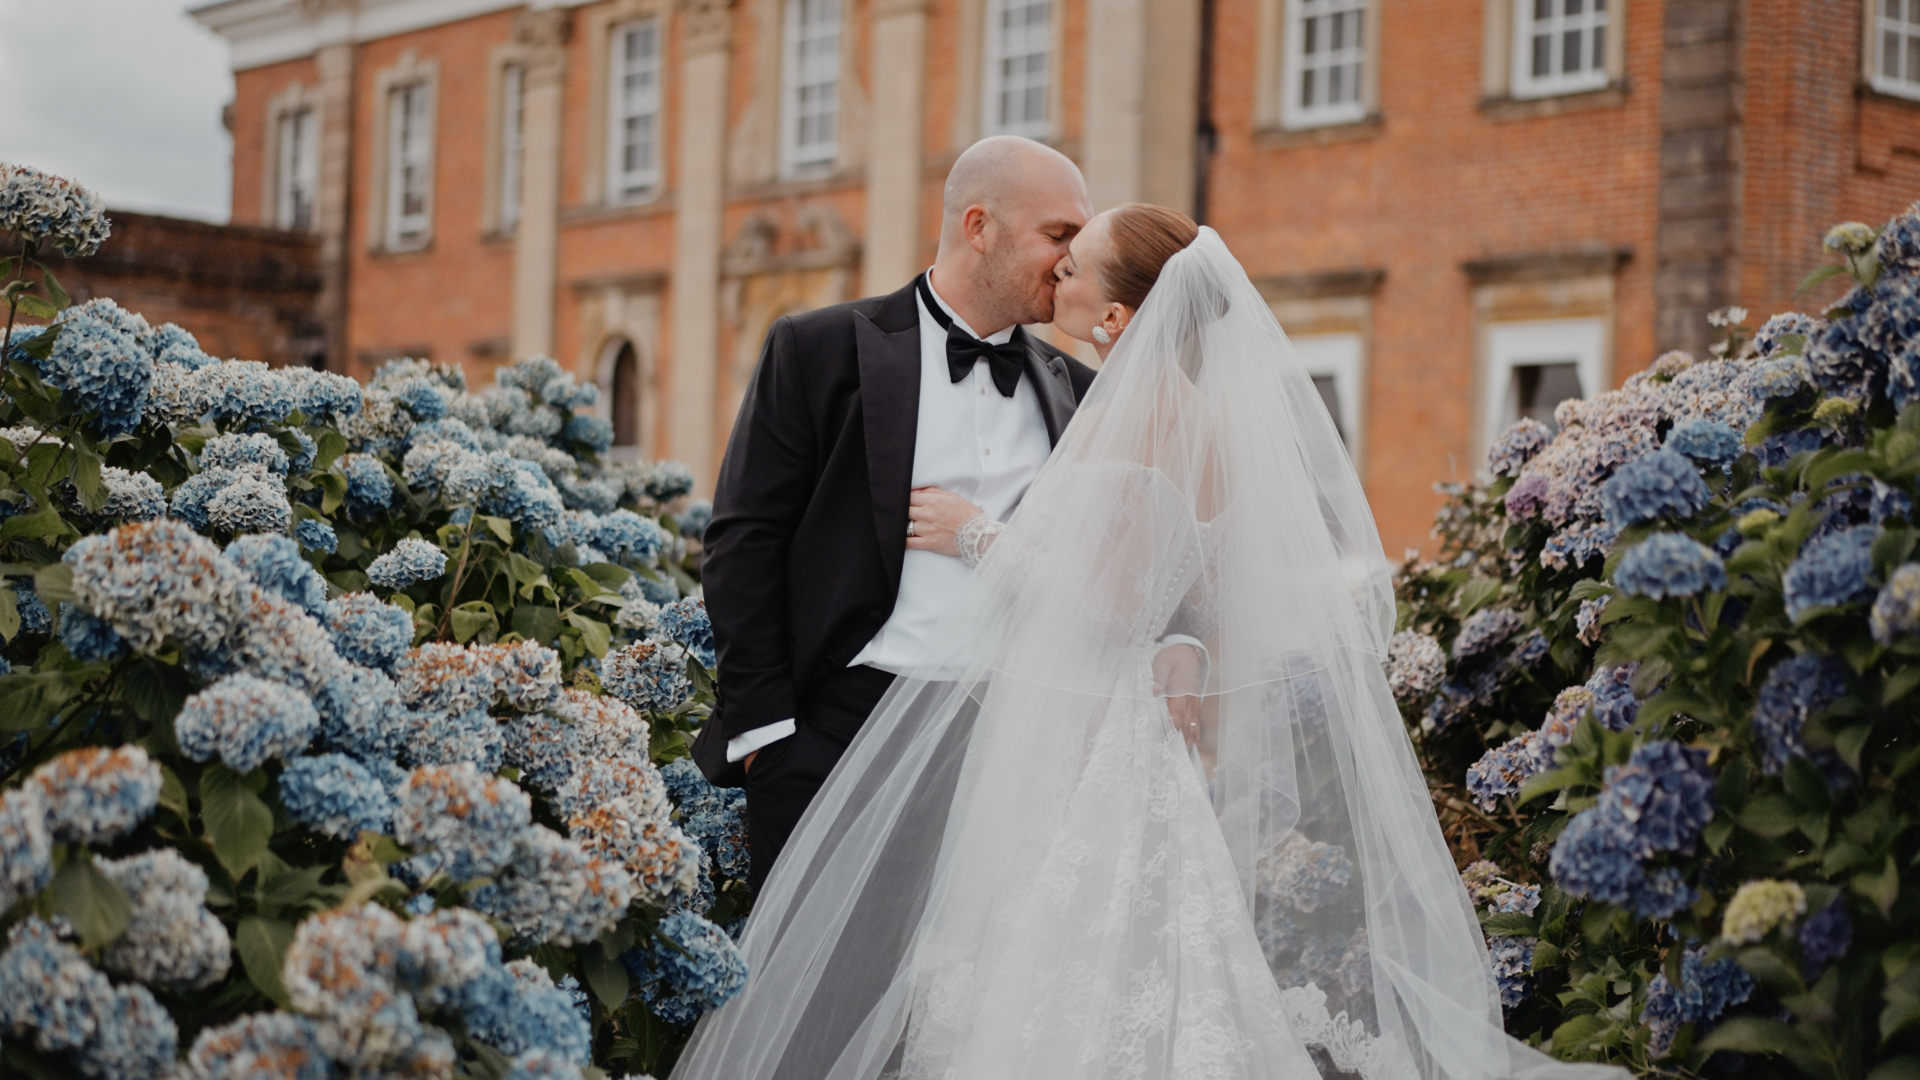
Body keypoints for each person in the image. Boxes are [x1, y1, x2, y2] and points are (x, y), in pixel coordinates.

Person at [675, 207, 1630, 1080]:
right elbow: (1181, 594)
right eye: (1060, 247)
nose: (1061, 278)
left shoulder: (1148, 415)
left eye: (1078, 265)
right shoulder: (1127, 404)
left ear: (1123, 315)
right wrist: (1186, 644)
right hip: (992, 724)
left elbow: (1115, 603)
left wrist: (977, 534)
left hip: (1075, 740)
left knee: (1059, 974)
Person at [697, 136, 1205, 891]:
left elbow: (1145, 546)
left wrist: (1182, 637)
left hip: (1006, 753)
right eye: (1058, 235)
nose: (1070, 263)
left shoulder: (1082, 386)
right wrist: (770, 738)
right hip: (836, 732)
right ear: (979, 227)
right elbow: (745, 540)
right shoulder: (820, 348)